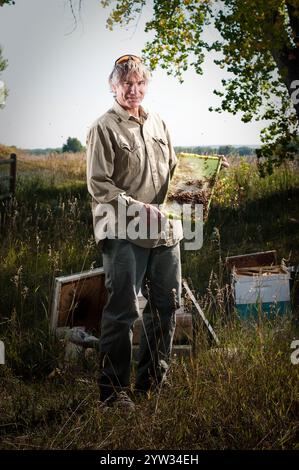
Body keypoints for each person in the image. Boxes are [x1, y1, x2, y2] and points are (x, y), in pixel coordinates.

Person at [86, 54, 183, 411]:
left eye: (140, 83)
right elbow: (99, 185)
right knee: (123, 311)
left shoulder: (158, 122)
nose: (134, 90)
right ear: (113, 86)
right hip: (124, 229)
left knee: (165, 308)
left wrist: (199, 183)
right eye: (127, 83)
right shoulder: (103, 127)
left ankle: (152, 385)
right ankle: (113, 395)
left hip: (164, 230)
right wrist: (136, 207)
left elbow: (174, 171)